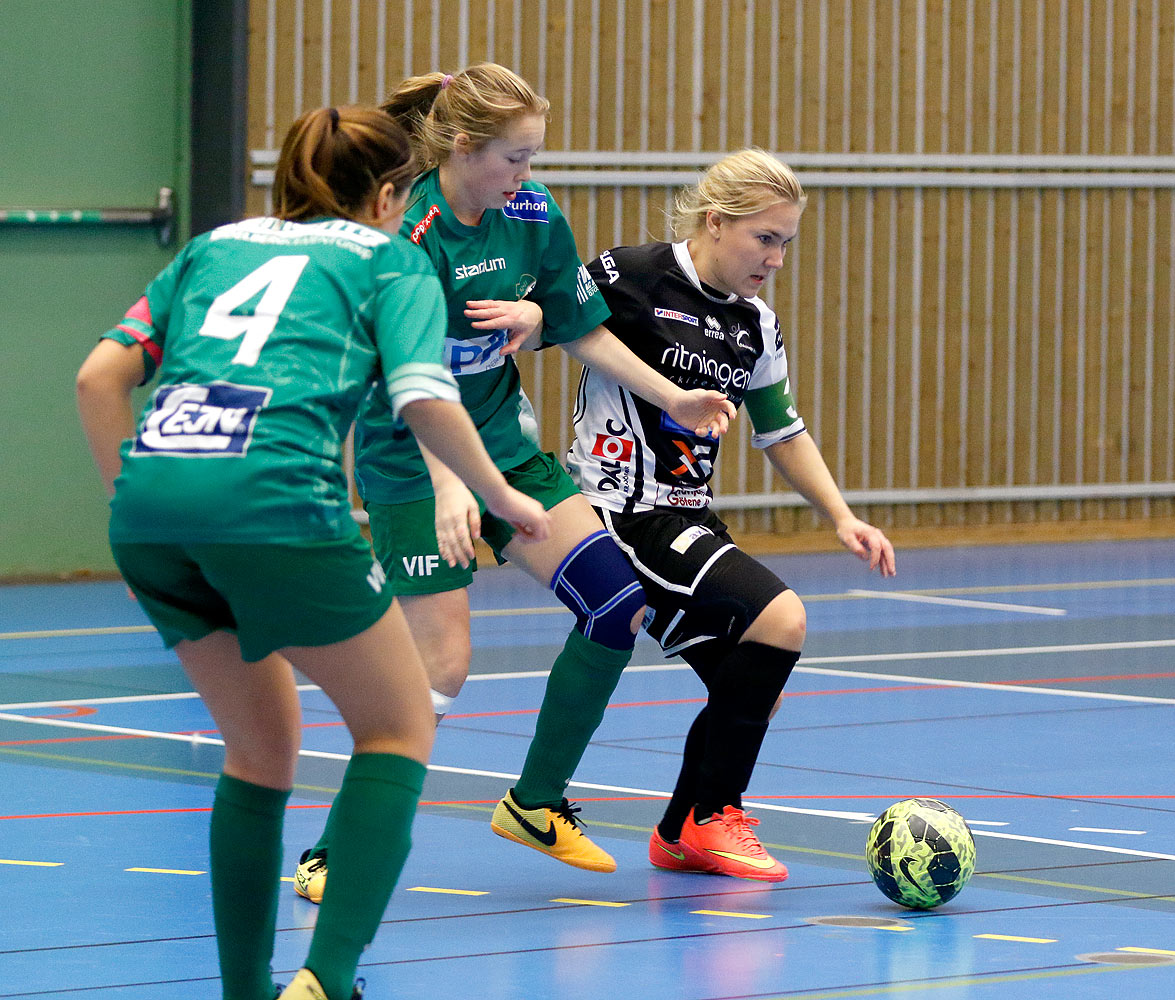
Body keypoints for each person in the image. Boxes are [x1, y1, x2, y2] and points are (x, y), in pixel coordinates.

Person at [75, 107, 550, 1000]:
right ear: (385, 194)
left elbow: (98, 377)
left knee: (258, 750)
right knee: (399, 725)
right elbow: (421, 396)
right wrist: (501, 494)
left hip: (150, 512)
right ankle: (325, 981)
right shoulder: (392, 259)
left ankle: (245, 991)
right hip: (276, 505)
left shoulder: (212, 249)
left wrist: (130, 497)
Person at [293, 63, 735, 901]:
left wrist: (670, 393)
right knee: (439, 668)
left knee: (617, 604)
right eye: (515, 159)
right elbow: (403, 378)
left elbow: (576, 324)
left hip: (501, 447)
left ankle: (535, 803)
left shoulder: (528, 212)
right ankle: (332, 848)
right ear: (462, 148)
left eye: (533, 158)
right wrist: (452, 483)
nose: (527, 177)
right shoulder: (408, 233)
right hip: (411, 462)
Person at [567, 149, 897, 882]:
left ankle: (681, 831)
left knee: (754, 688)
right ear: (716, 223)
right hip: (622, 511)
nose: (776, 258)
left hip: (690, 516)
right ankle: (712, 815)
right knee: (781, 619)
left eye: (787, 243)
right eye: (765, 238)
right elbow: (552, 319)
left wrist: (842, 516)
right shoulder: (629, 275)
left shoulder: (755, 325)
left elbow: (781, 429)